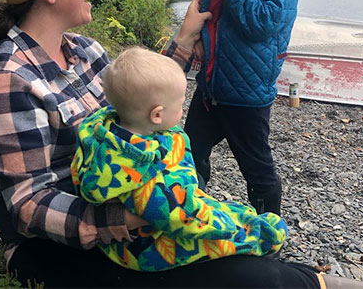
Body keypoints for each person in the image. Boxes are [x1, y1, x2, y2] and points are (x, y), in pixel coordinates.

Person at [0, 0, 363, 288]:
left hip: (134, 221)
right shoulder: (8, 82)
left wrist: (183, 41)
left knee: (247, 259)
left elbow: (140, 100)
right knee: (253, 278)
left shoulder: (84, 51)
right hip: (62, 248)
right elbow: (29, 207)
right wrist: (142, 216)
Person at [71, 46, 287, 272]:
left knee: (231, 210)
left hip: (159, 217)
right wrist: (231, 226)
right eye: (180, 104)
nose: (182, 110)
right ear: (157, 115)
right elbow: (184, 217)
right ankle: (264, 242)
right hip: (144, 247)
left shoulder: (102, 133)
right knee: (229, 236)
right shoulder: (141, 175)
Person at [185, 0, 296, 217]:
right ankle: (187, 209)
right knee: (189, 152)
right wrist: (198, 40)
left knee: (256, 165)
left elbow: (259, 26)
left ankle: (270, 225)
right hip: (210, 88)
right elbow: (204, 5)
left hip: (248, 98)